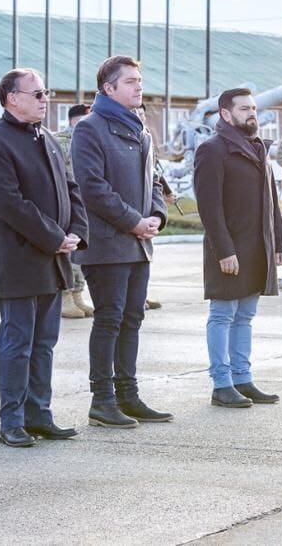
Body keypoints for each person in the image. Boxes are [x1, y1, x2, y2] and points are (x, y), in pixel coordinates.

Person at [0, 69, 89, 447]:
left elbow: (71, 188)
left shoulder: (47, 139)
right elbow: (10, 203)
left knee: (44, 343)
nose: (45, 99)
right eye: (38, 93)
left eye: (46, 92)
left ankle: (40, 414)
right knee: (18, 342)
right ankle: (12, 421)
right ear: (12, 97)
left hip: (53, 259)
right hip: (21, 260)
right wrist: (54, 236)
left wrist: (77, 231)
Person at [72, 55, 172, 429]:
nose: (138, 87)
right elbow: (92, 188)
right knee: (109, 320)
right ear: (108, 89)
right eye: (130, 82)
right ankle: (103, 400)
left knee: (133, 319)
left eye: (139, 80)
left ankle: (129, 396)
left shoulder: (140, 130)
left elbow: (154, 182)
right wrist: (133, 221)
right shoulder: (90, 129)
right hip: (107, 245)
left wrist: (156, 217)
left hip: (138, 244)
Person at [193, 88, 282, 408]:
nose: (251, 114)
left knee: (245, 316)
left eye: (254, 108)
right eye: (244, 108)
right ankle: (222, 383)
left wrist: (280, 243)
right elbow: (209, 207)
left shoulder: (258, 148)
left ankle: (242, 379)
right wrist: (223, 250)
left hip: (256, 247)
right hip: (229, 249)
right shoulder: (212, 150)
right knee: (222, 314)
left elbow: (271, 201)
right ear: (225, 114)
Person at [53, 103, 95, 319]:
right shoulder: (59, 141)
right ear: (72, 120)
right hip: (67, 204)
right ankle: (66, 296)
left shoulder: (88, 139)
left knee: (80, 254)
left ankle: (78, 294)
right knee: (69, 253)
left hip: (85, 204)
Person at [133, 103, 170, 311]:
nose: (140, 117)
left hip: (147, 213)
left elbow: (154, 173)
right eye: (136, 113)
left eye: (142, 114)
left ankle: (143, 295)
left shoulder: (146, 136)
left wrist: (159, 211)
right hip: (129, 218)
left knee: (145, 259)